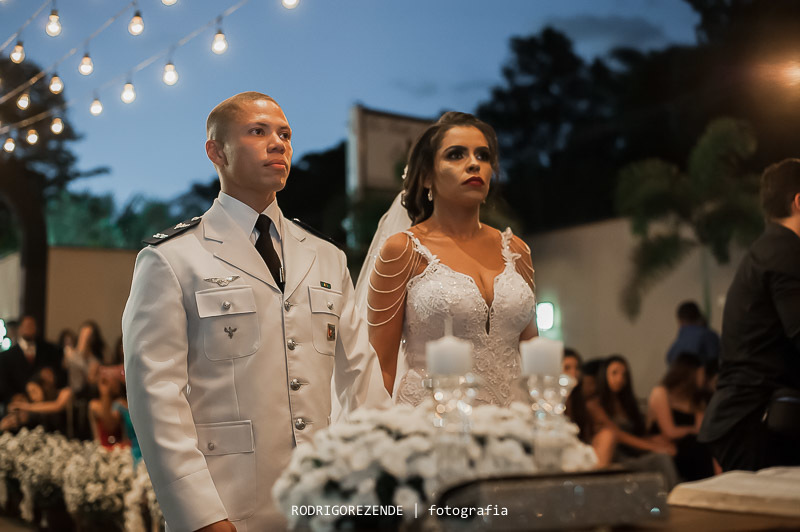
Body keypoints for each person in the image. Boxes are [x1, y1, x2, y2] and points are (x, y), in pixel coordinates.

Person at [122, 91, 389, 532]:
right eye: (258, 131)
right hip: (230, 504)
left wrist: (375, 488)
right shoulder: (173, 258)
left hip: (325, 504)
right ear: (216, 151)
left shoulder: (326, 256)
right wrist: (201, 515)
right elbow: (156, 394)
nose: (278, 143)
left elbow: (362, 380)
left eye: (285, 134)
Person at [362, 112, 537, 407]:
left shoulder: (517, 251)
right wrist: (380, 428)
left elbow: (533, 353)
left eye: (483, 156)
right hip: (430, 419)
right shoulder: (403, 250)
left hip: (512, 423)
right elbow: (381, 365)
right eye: (456, 155)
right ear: (427, 176)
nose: (474, 164)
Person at [700, 158, 800, 471]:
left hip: (752, 419)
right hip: (755, 421)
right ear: (799, 202)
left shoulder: (771, 248)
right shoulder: (786, 251)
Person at [587, 355, 675, 460]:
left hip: (632, 449)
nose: (620, 379)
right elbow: (618, 434)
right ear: (604, 375)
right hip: (614, 452)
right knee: (662, 458)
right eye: (614, 373)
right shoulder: (594, 404)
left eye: (624, 374)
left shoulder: (626, 403)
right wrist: (653, 447)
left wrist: (654, 441)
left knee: (665, 444)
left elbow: (635, 433)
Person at [647, 353, 714, 480]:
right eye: (701, 373)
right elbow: (670, 432)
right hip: (667, 446)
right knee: (696, 449)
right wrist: (691, 430)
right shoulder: (661, 392)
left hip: (688, 446)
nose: (704, 378)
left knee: (705, 447)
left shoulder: (696, 398)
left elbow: (701, 430)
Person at [0, 315, 65, 412]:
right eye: (26, 326)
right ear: (20, 328)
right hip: (17, 406)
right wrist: (13, 397)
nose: (29, 329)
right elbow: (3, 384)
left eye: (32, 326)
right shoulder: (6, 356)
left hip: (43, 406)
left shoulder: (49, 351)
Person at [563, 349, 615, 467]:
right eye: (567, 368)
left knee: (607, 435)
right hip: (559, 447)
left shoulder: (580, 402)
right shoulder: (551, 401)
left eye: (577, 368)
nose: (573, 373)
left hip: (579, 448)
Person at [665, 301, 720, 366]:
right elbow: (715, 361)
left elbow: (669, 358)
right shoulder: (709, 335)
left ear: (680, 321)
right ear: (699, 316)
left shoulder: (677, 344)